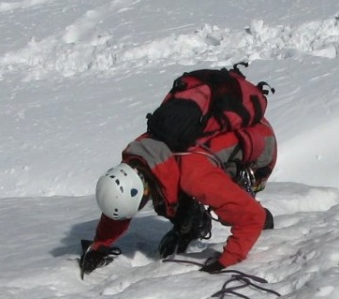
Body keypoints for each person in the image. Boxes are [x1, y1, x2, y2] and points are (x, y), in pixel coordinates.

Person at [80, 116, 277, 277]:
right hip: (216, 143)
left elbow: (251, 217)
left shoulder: (194, 177)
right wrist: (99, 244)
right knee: (168, 201)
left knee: (234, 213)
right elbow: (122, 198)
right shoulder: (138, 161)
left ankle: (266, 227)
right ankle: (190, 226)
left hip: (259, 144)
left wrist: (226, 261)